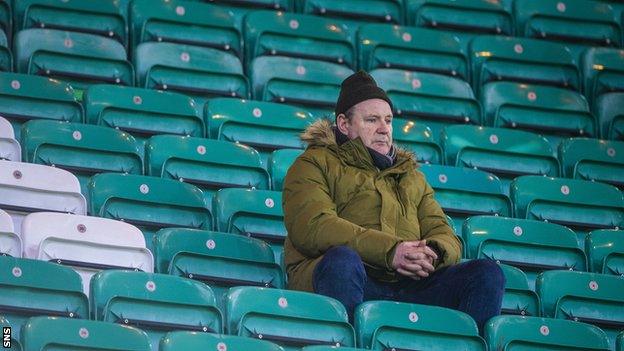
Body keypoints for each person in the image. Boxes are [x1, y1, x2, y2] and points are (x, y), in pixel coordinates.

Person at [282, 70, 505, 333]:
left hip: (408, 284)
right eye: (372, 120)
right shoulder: (311, 164)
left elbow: (444, 233)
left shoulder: (411, 176)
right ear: (344, 124)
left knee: (487, 274)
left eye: (388, 120)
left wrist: (429, 254)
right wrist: (392, 252)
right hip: (352, 278)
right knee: (342, 260)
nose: (383, 129)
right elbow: (314, 227)